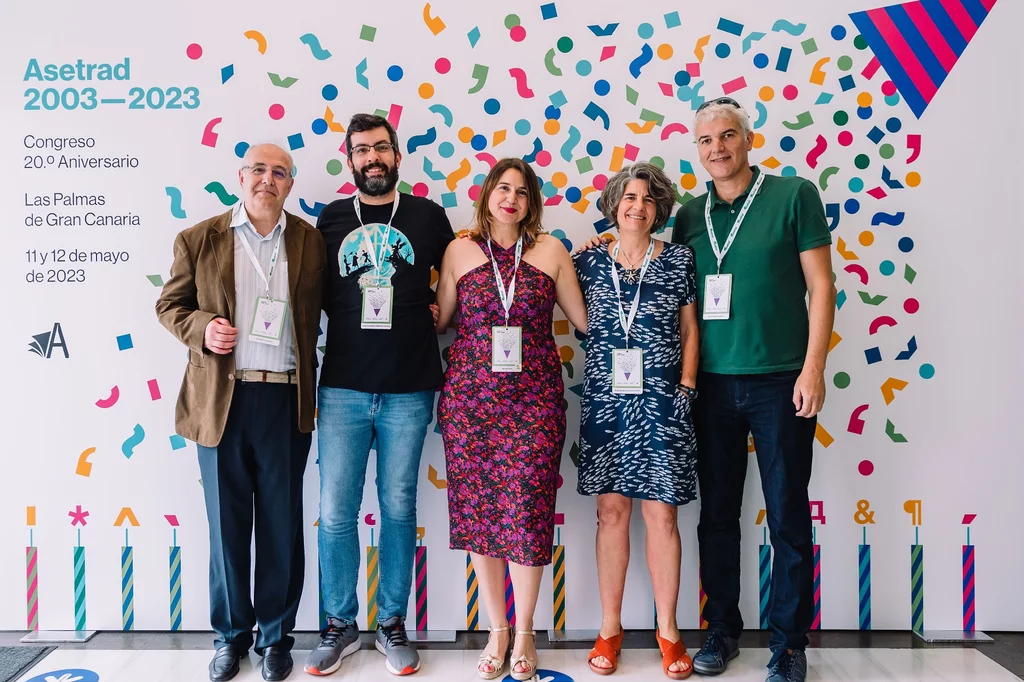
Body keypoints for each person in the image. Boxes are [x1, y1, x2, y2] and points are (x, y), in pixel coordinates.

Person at [672, 98, 835, 682]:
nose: (717, 148)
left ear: (748, 139)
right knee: (716, 513)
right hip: (711, 384)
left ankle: (790, 644)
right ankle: (721, 630)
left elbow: (822, 287)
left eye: (727, 136)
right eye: (706, 140)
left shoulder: (794, 196)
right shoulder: (688, 215)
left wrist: (813, 368)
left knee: (788, 512)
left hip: (780, 381)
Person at [156, 143, 325, 682]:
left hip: (284, 399)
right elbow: (169, 305)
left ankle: (276, 641)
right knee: (228, 528)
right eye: (258, 170)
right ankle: (230, 638)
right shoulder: (199, 237)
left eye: (279, 172)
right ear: (240, 177)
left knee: (281, 527)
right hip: (220, 403)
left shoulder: (310, 241)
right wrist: (201, 327)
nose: (267, 180)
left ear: (290, 184)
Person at [307, 113, 454, 677]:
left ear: (397, 156)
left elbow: (466, 270)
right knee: (335, 511)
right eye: (362, 150)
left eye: (381, 149)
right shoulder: (330, 218)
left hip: (410, 387)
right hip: (342, 385)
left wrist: (445, 308)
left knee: (397, 508)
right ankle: (339, 626)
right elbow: (314, 294)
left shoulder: (428, 216)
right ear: (350, 160)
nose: (372, 158)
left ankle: (392, 623)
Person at [434, 158, 587, 680]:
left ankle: (525, 631)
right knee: (480, 513)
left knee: (526, 511)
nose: (512, 199)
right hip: (470, 404)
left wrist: (601, 263)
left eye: (522, 192)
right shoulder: (458, 250)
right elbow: (443, 320)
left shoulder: (551, 250)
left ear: (532, 202)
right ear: (487, 195)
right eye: (503, 188)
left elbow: (586, 321)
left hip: (536, 404)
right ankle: (497, 630)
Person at [573, 163, 699, 680]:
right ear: (613, 204)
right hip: (606, 402)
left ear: (659, 210)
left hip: (665, 400)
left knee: (662, 517)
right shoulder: (586, 261)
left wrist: (687, 387)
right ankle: (610, 628)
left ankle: (668, 630)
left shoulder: (678, 260)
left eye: (648, 199)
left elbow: (691, 329)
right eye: (629, 197)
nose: (637, 207)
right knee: (611, 514)